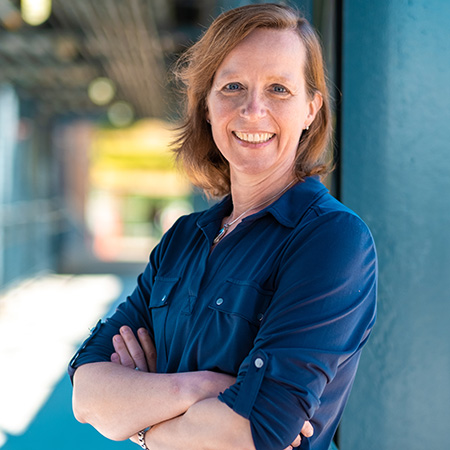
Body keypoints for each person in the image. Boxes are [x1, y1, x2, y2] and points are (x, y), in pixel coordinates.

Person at [69, 4, 377, 450]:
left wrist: (136, 420)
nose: (253, 109)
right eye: (233, 86)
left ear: (311, 108)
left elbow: (252, 435)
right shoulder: (181, 239)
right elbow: (87, 394)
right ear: (208, 106)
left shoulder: (332, 241)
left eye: (278, 89)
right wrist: (198, 389)